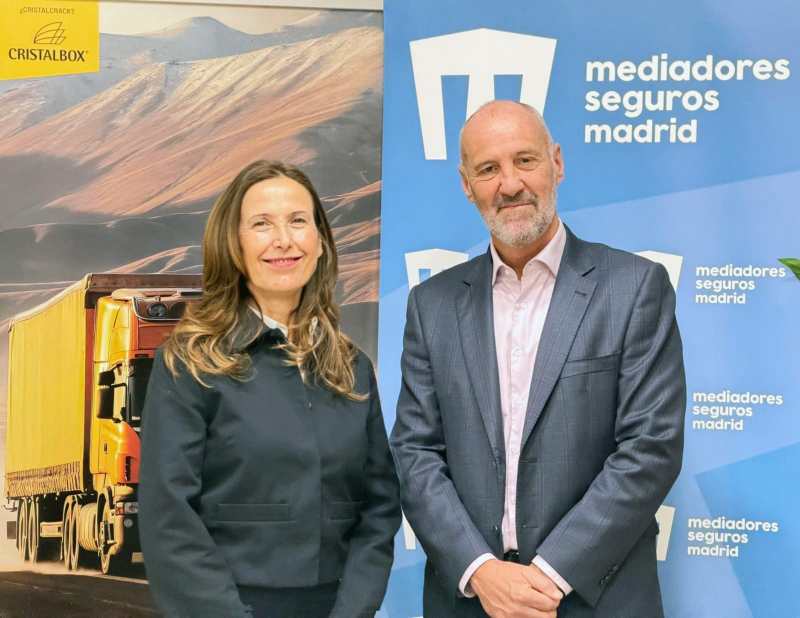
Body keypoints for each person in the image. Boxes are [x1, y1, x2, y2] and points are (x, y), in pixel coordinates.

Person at [390, 100, 685, 618]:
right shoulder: (431, 305)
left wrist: (544, 578)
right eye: (488, 169)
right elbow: (415, 453)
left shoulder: (634, 287)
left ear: (557, 163)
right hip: (472, 601)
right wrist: (482, 571)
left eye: (525, 160)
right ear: (466, 185)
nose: (510, 184)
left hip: (593, 599)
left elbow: (650, 447)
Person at [139, 160, 401, 618]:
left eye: (298, 221)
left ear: (320, 242)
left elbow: (378, 509)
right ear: (234, 244)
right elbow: (169, 519)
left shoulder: (352, 367)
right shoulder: (190, 362)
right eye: (262, 224)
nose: (283, 239)